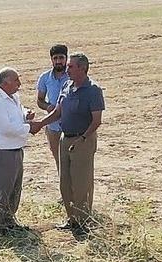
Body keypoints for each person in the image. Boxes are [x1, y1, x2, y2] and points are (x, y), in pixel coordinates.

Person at [37, 52, 105, 233]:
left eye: (71, 66)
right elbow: (58, 112)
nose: (67, 69)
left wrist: (83, 139)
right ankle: (71, 218)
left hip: (83, 139)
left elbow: (96, 120)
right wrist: (40, 124)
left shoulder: (93, 90)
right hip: (64, 138)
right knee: (65, 181)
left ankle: (83, 221)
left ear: (82, 68)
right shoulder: (67, 85)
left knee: (81, 182)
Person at [0, 68, 42, 231]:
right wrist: (29, 127)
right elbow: (6, 128)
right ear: (5, 82)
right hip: (2, 152)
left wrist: (25, 115)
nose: (19, 84)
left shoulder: (13, 97)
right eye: (16, 80)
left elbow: (15, 115)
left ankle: (10, 222)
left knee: (14, 188)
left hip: (15, 150)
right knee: (1, 190)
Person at [36, 44, 70, 172]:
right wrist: (48, 106)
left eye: (61, 58)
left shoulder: (72, 75)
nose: (58, 61)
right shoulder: (45, 78)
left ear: (66, 58)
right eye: (55, 58)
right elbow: (39, 100)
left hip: (71, 126)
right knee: (60, 163)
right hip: (53, 127)